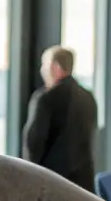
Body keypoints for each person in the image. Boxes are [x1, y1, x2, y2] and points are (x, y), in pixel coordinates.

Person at [22, 46, 98, 192]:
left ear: (55, 67)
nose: (42, 70)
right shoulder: (88, 98)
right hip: (84, 186)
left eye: (44, 65)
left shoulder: (45, 99)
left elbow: (33, 144)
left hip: (51, 184)